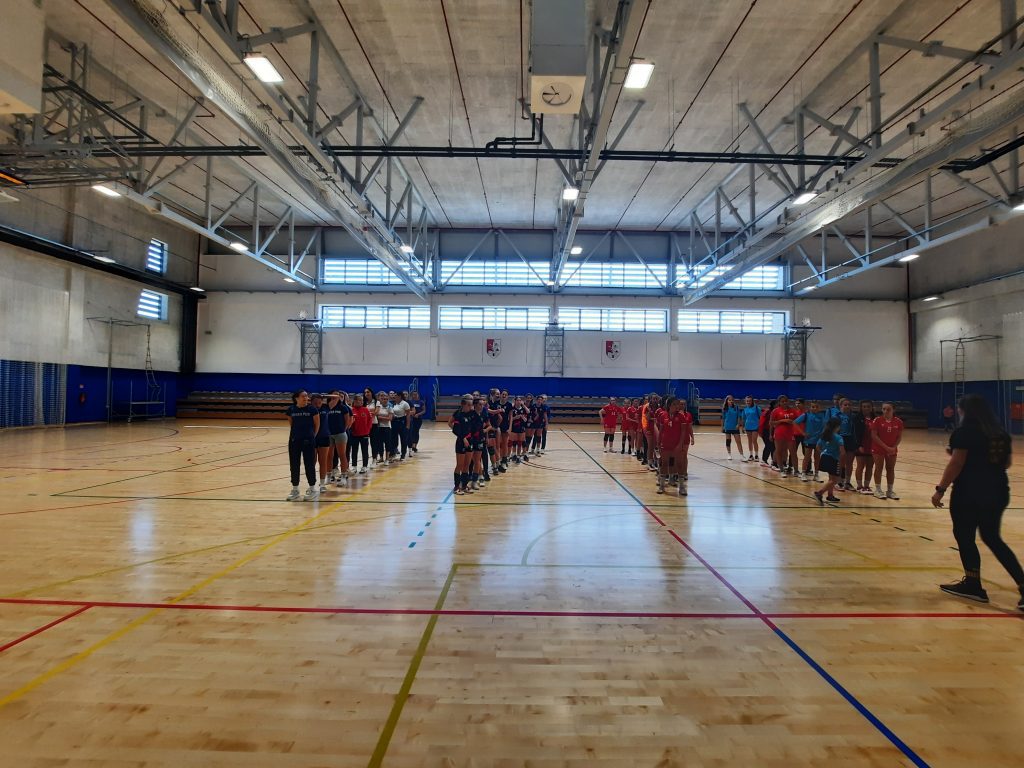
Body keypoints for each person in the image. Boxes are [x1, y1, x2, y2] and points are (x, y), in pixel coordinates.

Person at [931, 394, 1024, 611]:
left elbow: (957, 463)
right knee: (993, 538)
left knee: (964, 536)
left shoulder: (964, 432)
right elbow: (1006, 463)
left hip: (969, 493)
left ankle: (973, 584)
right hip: (998, 491)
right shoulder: (1000, 434)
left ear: (965, 411)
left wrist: (940, 490)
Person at [285, 389, 319, 501]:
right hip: (294, 441)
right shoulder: (291, 410)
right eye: (303, 396)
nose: (306, 398)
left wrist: (311, 437)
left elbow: (317, 425)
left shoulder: (312, 409)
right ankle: (295, 489)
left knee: (309, 464)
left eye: (306, 396)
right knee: (294, 464)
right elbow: (292, 424)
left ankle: (312, 488)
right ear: (296, 398)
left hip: (308, 441)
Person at [871, 402, 903, 499]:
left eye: (888, 409)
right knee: (879, 468)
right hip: (878, 449)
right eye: (884, 409)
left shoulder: (898, 422)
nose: (885, 411)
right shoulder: (877, 420)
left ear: (893, 410)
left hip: (892, 450)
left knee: (890, 469)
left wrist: (893, 447)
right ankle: (878, 490)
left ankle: (890, 491)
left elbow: (899, 437)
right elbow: (874, 436)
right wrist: (886, 447)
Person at [656, 397, 687, 496]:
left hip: (676, 445)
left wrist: (680, 444)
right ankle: (662, 486)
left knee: (679, 464)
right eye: (674, 404)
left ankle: (682, 487)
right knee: (664, 464)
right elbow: (661, 431)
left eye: (678, 404)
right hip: (665, 444)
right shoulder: (663, 415)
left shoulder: (681, 416)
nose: (677, 406)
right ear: (669, 405)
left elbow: (683, 432)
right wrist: (658, 443)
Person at [813, 418, 844, 506]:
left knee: (831, 478)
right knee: (835, 480)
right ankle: (819, 493)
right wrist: (841, 462)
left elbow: (817, 447)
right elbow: (842, 452)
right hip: (834, 459)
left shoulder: (825, 435)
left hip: (824, 457)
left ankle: (830, 495)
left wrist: (824, 452)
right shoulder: (838, 437)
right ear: (837, 427)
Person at [449, 395, 475, 495]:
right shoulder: (458, 414)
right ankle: (456, 487)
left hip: (470, 441)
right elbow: (452, 426)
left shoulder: (472, 413)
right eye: (469, 405)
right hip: (461, 442)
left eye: (471, 405)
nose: (471, 406)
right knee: (459, 465)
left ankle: (464, 485)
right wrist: (462, 437)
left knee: (467, 465)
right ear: (464, 405)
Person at [326, 390, 352, 486]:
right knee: (329, 456)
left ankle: (343, 476)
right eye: (334, 394)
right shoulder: (327, 407)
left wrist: (342, 430)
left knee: (342, 455)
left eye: (338, 395)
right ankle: (329, 477)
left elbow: (347, 421)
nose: (336, 396)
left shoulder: (343, 407)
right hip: (329, 434)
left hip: (340, 434)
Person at [794, 400, 825, 482]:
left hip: (819, 440)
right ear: (810, 407)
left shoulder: (823, 415)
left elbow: (826, 425)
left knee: (817, 458)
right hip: (809, 440)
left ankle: (816, 475)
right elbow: (795, 423)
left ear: (819, 407)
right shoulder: (806, 415)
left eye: (816, 407)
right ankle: (803, 473)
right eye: (813, 407)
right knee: (807, 457)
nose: (815, 408)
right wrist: (803, 433)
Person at [852, 400, 876, 494]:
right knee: (860, 466)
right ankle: (859, 486)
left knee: (870, 466)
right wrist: (859, 445)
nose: (866, 408)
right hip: (861, 445)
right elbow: (855, 433)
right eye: (864, 406)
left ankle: (866, 486)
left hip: (872, 446)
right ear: (861, 408)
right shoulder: (857, 418)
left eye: (868, 406)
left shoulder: (876, 418)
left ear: (871, 408)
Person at [310, 393, 333, 494]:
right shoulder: (309, 409)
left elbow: (336, 398)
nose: (317, 404)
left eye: (319, 402)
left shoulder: (326, 407)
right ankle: (311, 485)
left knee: (323, 462)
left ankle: (322, 484)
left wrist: (324, 396)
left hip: (324, 437)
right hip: (312, 438)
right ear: (311, 402)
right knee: (312, 462)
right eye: (315, 402)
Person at [770, 395, 798, 476]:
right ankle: (782, 470)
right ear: (779, 402)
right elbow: (771, 423)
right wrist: (782, 420)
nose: (784, 403)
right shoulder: (775, 411)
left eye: (786, 401)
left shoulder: (792, 410)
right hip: (779, 433)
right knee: (779, 451)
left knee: (793, 452)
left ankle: (796, 471)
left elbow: (797, 421)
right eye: (782, 401)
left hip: (790, 434)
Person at [348, 394, 372, 474]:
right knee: (354, 451)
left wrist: (367, 430)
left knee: (365, 451)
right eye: (359, 400)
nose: (361, 402)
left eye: (362, 400)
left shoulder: (366, 410)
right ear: (354, 401)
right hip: (354, 435)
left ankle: (364, 466)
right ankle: (354, 467)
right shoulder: (351, 410)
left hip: (364, 434)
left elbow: (370, 421)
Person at [836, 398, 855, 490]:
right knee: (841, 462)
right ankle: (839, 481)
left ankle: (847, 482)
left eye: (849, 405)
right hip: (841, 439)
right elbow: (834, 430)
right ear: (841, 406)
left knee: (849, 463)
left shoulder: (853, 416)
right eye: (845, 405)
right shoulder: (837, 416)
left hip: (850, 439)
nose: (847, 406)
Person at [374, 390, 393, 465]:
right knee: (379, 443)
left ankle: (387, 459)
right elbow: (376, 416)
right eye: (383, 399)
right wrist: (384, 417)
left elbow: (390, 418)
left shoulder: (389, 407)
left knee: (387, 443)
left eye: (386, 399)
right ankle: (381, 457)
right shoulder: (378, 407)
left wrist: (380, 417)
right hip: (379, 427)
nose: (385, 400)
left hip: (387, 427)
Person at [392, 391, 412, 460]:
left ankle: (403, 454)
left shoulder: (405, 404)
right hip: (394, 422)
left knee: (403, 439)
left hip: (402, 422)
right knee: (394, 438)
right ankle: (394, 452)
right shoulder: (394, 403)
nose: (394, 397)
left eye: (395, 395)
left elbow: (408, 415)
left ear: (400, 396)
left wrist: (408, 425)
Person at [740, 396, 761, 462]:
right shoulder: (745, 409)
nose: (748, 402)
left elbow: (761, 417)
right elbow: (743, 419)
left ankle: (756, 455)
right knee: (749, 441)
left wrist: (760, 426)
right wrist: (743, 427)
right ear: (745, 401)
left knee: (754, 440)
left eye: (749, 401)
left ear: (752, 401)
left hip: (755, 426)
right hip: (748, 426)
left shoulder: (757, 408)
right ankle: (751, 455)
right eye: (747, 401)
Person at [721, 394, 741, 461]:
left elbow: (739, 417)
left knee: (738, 441)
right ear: (727, 401)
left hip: (735, 427)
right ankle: (729, 454)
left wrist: (738, 424)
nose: (731, 401)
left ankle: (741, 455)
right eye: (729, 400)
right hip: (727, 426)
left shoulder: (736, 407)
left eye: (732, 400)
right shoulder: (725, 408)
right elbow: (723, 418)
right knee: (728, 441)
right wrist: (722, 427)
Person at [510, 395, 530, 462]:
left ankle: (519, 456)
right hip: (514, 427)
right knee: (514, 442)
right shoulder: (512, 409)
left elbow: (528, 412)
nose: (518, 402)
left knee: (520, 442)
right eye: (517, 400)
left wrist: (523, 405)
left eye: (520, 400)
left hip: (521, 427)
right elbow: (509, 419)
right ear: (515, 401)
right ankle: (514, 454)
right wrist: (515, 418)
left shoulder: (523, 409)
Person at [758, 399, 776, 468]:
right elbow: (762, 422)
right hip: (766, 431)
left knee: (773, 446)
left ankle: (773, 461)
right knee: (768, 445)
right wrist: (760, 431)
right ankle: (764, 460)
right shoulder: (767, 411)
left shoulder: (776, 411)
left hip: (773, 431)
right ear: (774, 405)